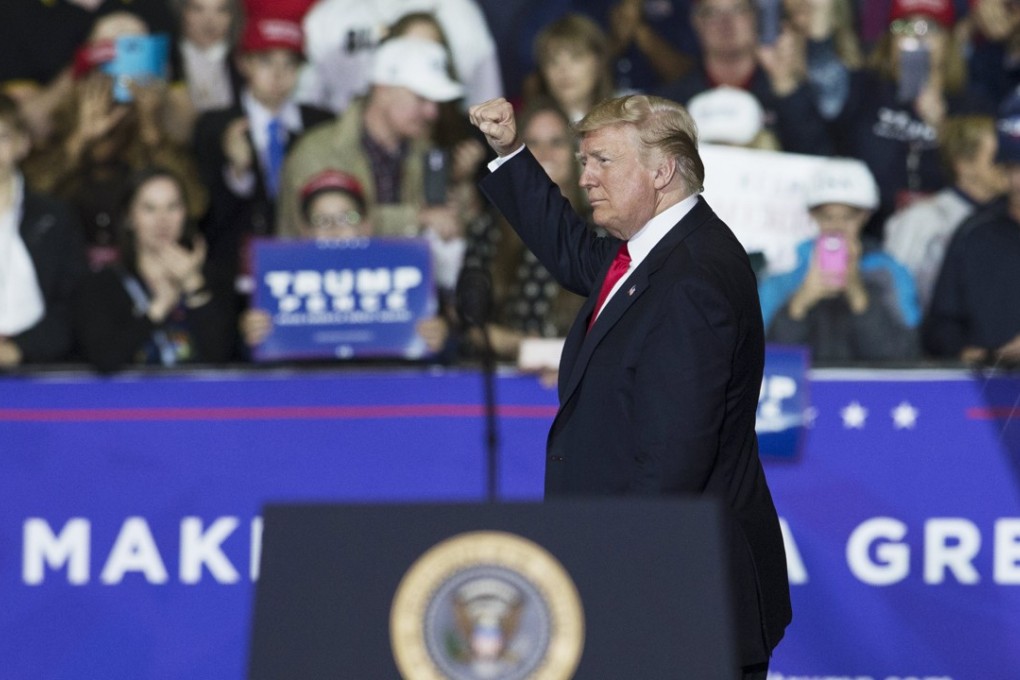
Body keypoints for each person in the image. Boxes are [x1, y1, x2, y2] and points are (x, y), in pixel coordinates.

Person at [468, 94, 790, 676]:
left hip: (681, 592)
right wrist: (510, 152)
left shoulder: (693, 278)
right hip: (657, 579)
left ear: (661, 171)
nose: (584, 177)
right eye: (583, 161)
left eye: (602, 162)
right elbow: (571, 254)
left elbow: (673, 459)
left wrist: (612, 577)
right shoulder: (650, 254)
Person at [22, 11, 207, 271]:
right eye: (109, 51)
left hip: (142, 269)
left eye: (133, 50)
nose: (121, 66)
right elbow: (29, 198)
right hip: (69, 269)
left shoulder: (157, 124)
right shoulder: (64, 120)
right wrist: (79, 141)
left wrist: (151, 133)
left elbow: (194, 205)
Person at [240, 168, 450, 357]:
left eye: (347, 218)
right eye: (321, 220)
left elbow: (444, 359)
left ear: (367, 225)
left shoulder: (408, 277)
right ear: (304, 230)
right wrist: (252, 336)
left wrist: (440, 338)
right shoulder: (275, 286)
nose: (334, 230)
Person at [192, 16, 332, 288]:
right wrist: (238, 171)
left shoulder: (321, 125)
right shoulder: (214, 127)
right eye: (266, 61)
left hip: (309, 265)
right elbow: (205, 213)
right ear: (243, 63)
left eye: (289, 63)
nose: (278, 75)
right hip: (234, 273)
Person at [759, 157, 922, 362]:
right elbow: (762, 358)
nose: (837, 227)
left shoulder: (889, 272)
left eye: (847, 217)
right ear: (813, 216)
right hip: (803, 391)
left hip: (864, 392)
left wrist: (857, 293)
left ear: (865, 216)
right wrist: (800, 302)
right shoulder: (784, 268)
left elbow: (904, 357)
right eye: (827, 217)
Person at [73, 167, 234, 373]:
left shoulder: (213, 278)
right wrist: (158, 308)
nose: (162, 219)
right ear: (129, 218)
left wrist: (194, 285)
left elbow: (223, 358)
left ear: (184, 213)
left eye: (172, 207)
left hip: (198, 403)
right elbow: (105, 358)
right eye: (149, 208)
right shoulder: (102, 284)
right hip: (130, 403)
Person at [655, 0, 833, 156]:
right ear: (697, 21)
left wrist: (785, 86)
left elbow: (817, 156)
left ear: (756, 16)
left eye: (738, 8)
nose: (725, 22)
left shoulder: (784, 87)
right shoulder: (673, 102)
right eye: (712, 12)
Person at [922, 91, 1020, 365]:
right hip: (991, 395)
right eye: (1014, 167)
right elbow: (941, 328)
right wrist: (986, 356)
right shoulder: (974, 233)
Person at [883, 114, 1007, 310]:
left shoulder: (1008, 220)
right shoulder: (922, 219)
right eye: (998, 156)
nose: (1008, 164)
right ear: (964, 165)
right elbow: (890, 289)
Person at [0, 93, 88, 368]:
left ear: (23, 144)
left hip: (38, 373)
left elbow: (74, 301)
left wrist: (18, 350)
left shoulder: (54, 218)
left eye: (1, 136)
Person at [297, 0, 503, 113]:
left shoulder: (460, 13)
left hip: (432, 141)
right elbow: (305, 103)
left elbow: (487, 104)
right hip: (343, 143)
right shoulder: (328, 16)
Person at [521, 13, 616, 122]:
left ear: (599, 62)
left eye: (575, 58)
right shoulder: (531, 128)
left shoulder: (627, 120)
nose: (563, 70)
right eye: (553, 61)